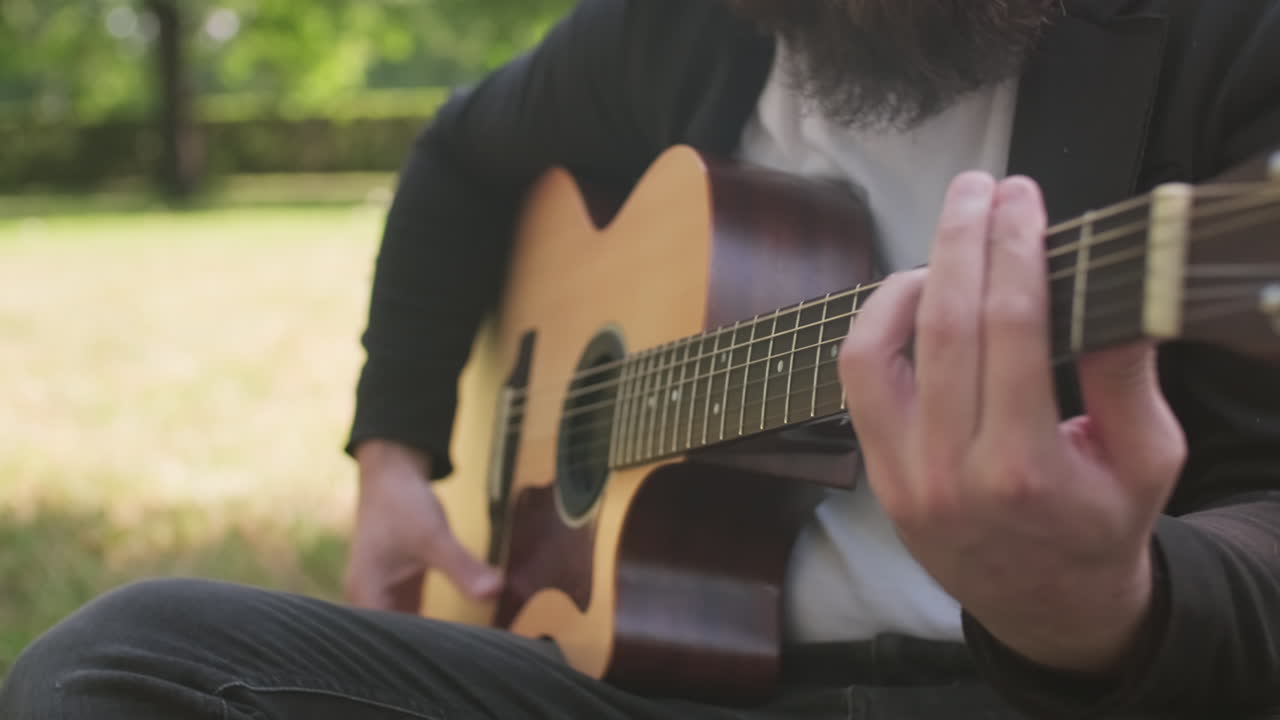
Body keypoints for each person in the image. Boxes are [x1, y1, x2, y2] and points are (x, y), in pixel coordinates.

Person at [4, 1, 1280, 718]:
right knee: (117, 667)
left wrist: (1108, 606)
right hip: (659, 695)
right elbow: (458, 158)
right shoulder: (695, 30)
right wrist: (394, 456)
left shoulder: (1228, 42)